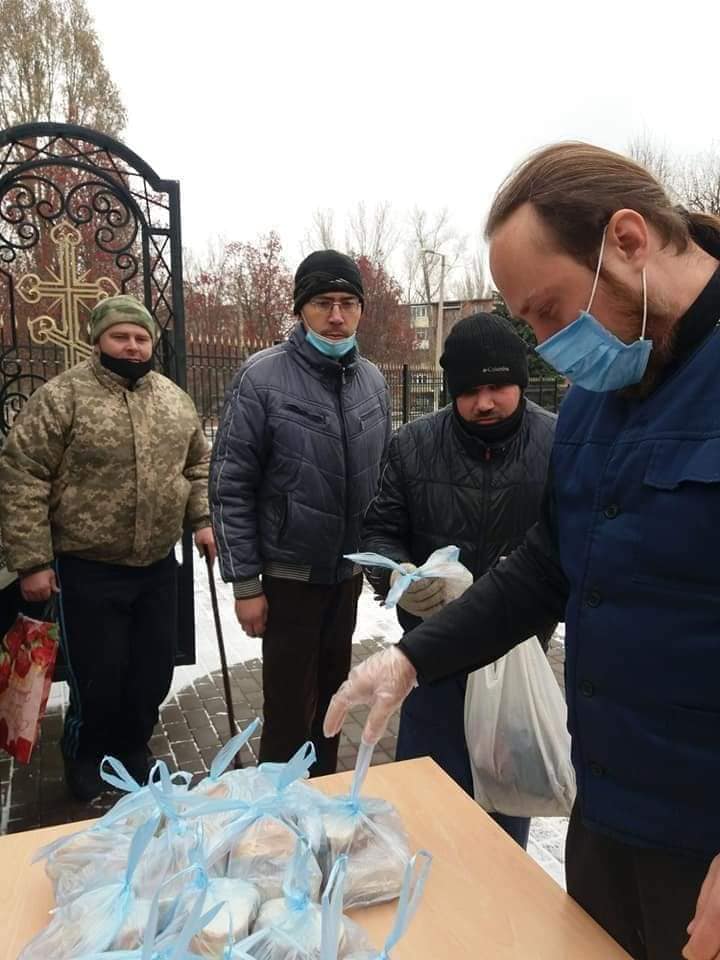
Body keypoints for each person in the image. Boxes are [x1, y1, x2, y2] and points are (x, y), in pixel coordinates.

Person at [324, 143, 720, 960]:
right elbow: (547, 566)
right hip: (609, 815)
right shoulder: (597, 398)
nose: (542, 343)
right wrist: (412, 659)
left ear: (628, 241)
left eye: (548, 309)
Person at [0, 295, 215, 801]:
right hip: (86, 567)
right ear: (97, 339)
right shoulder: (63, 397)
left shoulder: (174, 400)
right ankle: (86, 756)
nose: (133, 346)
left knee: (151, 672)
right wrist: (32, 561)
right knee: (98, 676)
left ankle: (134, 750)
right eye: (121, 336)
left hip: (157, 566)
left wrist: (203, 519)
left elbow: (197, 465)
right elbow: (23, 474)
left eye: (141, 338)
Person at [361, 312, 556, 848]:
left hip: (516, 664)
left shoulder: (559, 444)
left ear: (521, 381)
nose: (484, 403)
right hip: (433, 662)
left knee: (503, 820)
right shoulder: (412, 444)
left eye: (497, 387)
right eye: (469, 390)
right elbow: (379, 531)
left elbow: (578, 543)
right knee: (424, 815)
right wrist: (399, 577)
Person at [210, 249, 390, 776]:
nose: (336, 316)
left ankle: (324, 795)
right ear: (300, 309)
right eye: (322, 303)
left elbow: (381, 479)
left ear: (360, 310)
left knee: (335, 701)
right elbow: (230, 486)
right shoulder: (262, 378)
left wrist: (383, 560)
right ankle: (279, 808)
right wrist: (246, 584)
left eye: (348, 303)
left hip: (345, 578)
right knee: (289, 713)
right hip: (288, 580)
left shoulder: (373, 382)